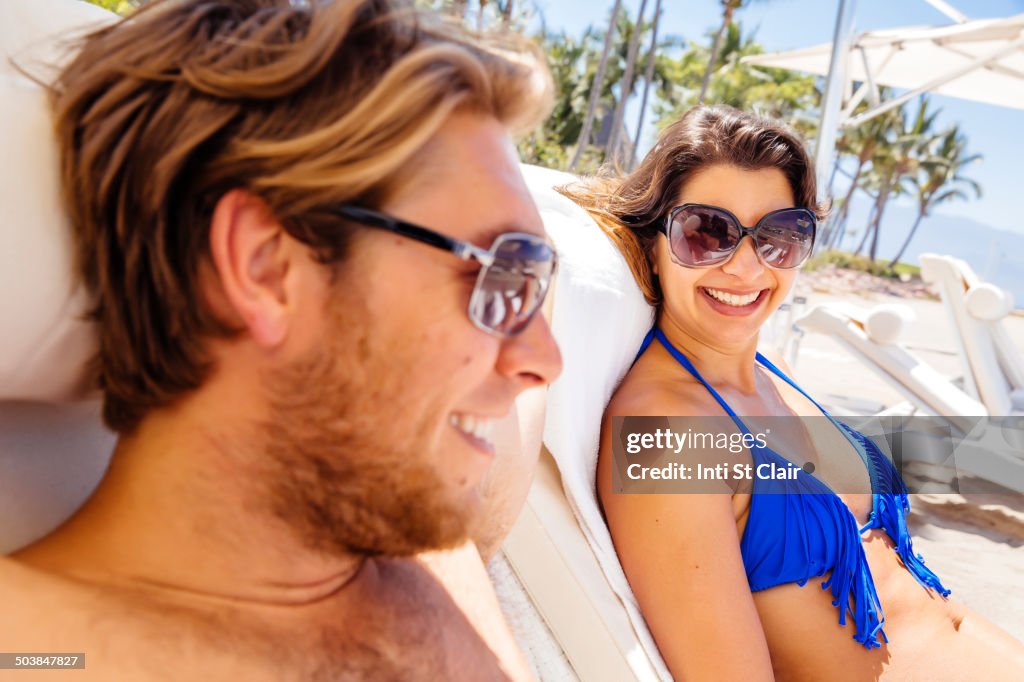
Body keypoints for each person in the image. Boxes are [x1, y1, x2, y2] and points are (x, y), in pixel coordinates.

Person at [0, 0, 562, 679]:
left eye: (533, 280)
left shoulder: (410, 518)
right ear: (265, 266)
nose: (545, 360)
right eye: (501, 271)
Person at [565, 105, 1024, 680]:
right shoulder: (669, 436)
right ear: (655, 244)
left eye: (779, 236)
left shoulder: (772, 372)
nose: (745, 266)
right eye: (707, 232)